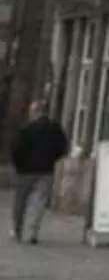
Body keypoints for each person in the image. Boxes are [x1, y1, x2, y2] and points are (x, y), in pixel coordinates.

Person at [10, 102, 69, 244]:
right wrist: (52, 159)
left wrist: (18, 165)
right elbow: (62, 147)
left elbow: (16, 149)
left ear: (35, 112)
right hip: (46, 170)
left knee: (21, 201)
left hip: (26, 171)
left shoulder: (25, 130)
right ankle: (31, 233)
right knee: (39, 202)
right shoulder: (55, 128)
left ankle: (17, 231)